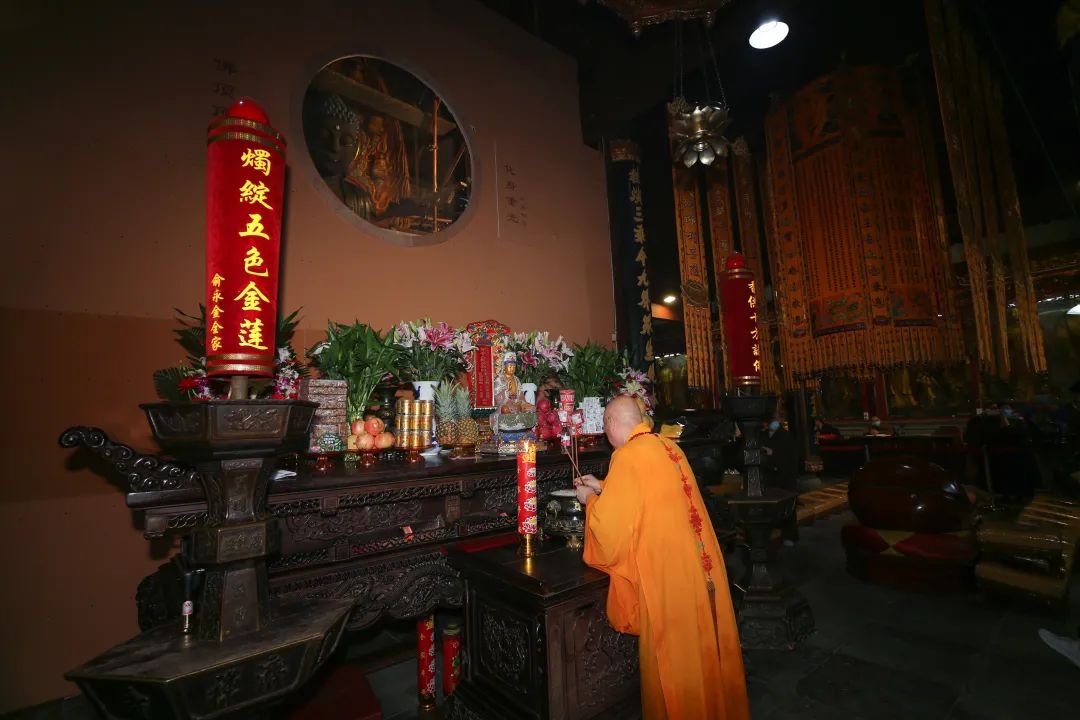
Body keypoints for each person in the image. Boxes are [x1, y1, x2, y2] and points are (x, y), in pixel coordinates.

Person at [573, 397, 749, 719]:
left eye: (605, 428)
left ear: (612, 423)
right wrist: (602, 485)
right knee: (703, 649)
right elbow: (649, 489)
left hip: (667, 576)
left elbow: (610, 531)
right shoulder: (667, 446)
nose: (606, 436)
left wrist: (590, 501)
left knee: (674, 661)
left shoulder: (627, 456)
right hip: (699, 566)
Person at [762, 417, 800, 545]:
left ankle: (790, 536)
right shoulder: (764, 434)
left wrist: (773, 454)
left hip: (785, 477)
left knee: (788, 508)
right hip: (770, 476)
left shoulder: (786, 436)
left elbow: (790, 459)